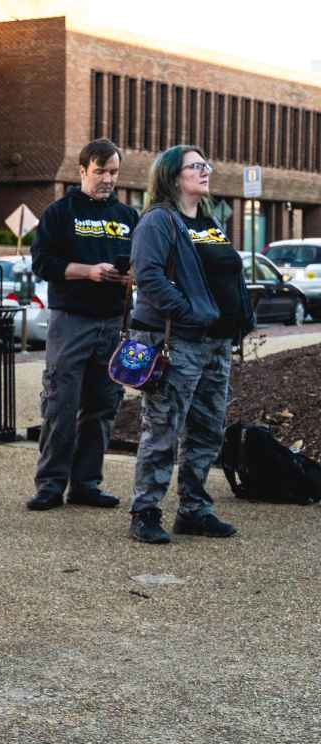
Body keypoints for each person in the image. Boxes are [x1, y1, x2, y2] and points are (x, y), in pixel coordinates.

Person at [127, 145, 252, 544]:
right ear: (171, 175)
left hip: (215, 345)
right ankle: (145, 511)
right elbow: (147, 277)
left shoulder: (209, 221)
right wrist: (189, 313)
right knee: (163, 427)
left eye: (206, 165)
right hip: (177, 341)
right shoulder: (159, 221)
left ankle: (194, 509)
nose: (205, 171)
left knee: (207, 429)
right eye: (195, 166)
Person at [26, 138, 140, 511]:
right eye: (100, 171)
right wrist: (88, 272)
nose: (107, 179)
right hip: (71, 321)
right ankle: (50, 485)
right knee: (61, 404)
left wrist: (130, 278)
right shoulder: (60, 213)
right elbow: (42, 262)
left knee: (103, 406)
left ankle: (87, 483)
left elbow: (144, 266)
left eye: (113, 172)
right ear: (82, 171)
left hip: (112, 323)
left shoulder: (128, 218)